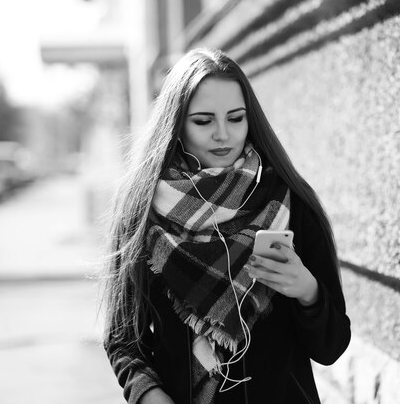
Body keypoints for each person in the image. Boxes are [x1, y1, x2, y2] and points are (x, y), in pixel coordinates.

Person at [102, 48, 351, 404]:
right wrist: (151, 396)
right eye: (203, 121)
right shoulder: (141, 211)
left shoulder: (289, 200)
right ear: (175, 124)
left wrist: (307, 290)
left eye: (236, 118)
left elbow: (331, 347)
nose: (223, 134)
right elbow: (123, 340)